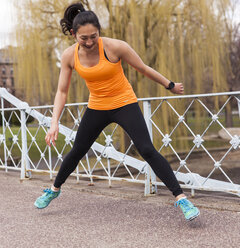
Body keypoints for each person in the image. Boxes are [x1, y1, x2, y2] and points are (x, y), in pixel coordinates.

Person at [34, 2, 200, 221]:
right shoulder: (69, 56)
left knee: (147, 149)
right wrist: (54, 121)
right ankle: (54, 190)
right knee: (77, 150)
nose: (90, 42)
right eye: (84, 38)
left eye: (94, 36)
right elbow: (62, 91)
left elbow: (143, 68)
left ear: (99, 32)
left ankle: (181, 198)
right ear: (74, 34)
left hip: (124, 103)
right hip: (97, 107)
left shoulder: (115, 47)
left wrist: (169, 85)